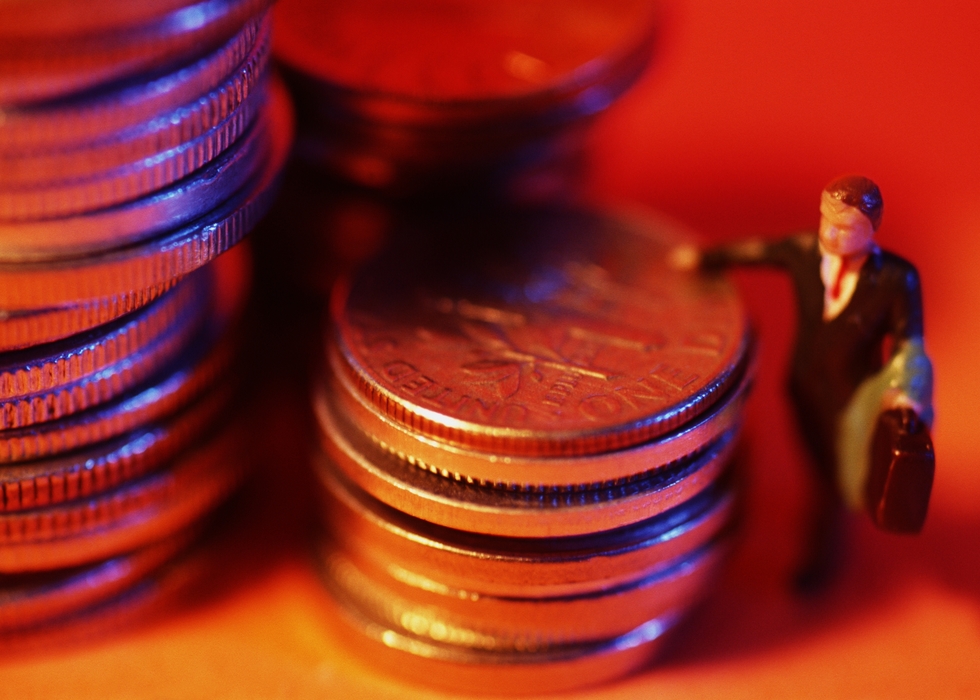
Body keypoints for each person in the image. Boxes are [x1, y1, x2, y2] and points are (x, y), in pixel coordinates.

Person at [672, 175, 934, 591]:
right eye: (825, 219)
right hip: (803, 383)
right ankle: (824, 508)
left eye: (845, 226)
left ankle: (823, 550)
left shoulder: (896, 280)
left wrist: (907, 393)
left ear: (872, 228)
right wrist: (706, 258)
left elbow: (910, 344)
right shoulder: (805, 253)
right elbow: (758, 249)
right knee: (813, 462)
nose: (831, 233)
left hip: (852, 396)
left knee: (830, 482)